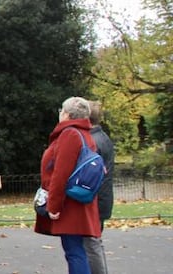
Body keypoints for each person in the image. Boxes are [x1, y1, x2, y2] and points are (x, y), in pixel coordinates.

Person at [34, 97, 101, 274]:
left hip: (69, 203)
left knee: (74, 251)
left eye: (61, 111)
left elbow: (61, 173)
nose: (60, 114)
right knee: (76, 250)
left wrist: (53, 205)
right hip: (79, 200)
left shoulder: (70, 134)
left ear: (68, 114)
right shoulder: (85, 134)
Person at [83, 100, 115, 274]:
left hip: (95, 200)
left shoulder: (93, 141)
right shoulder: (103, 137)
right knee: (94, 242)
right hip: (102, 197)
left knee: (91, 243)